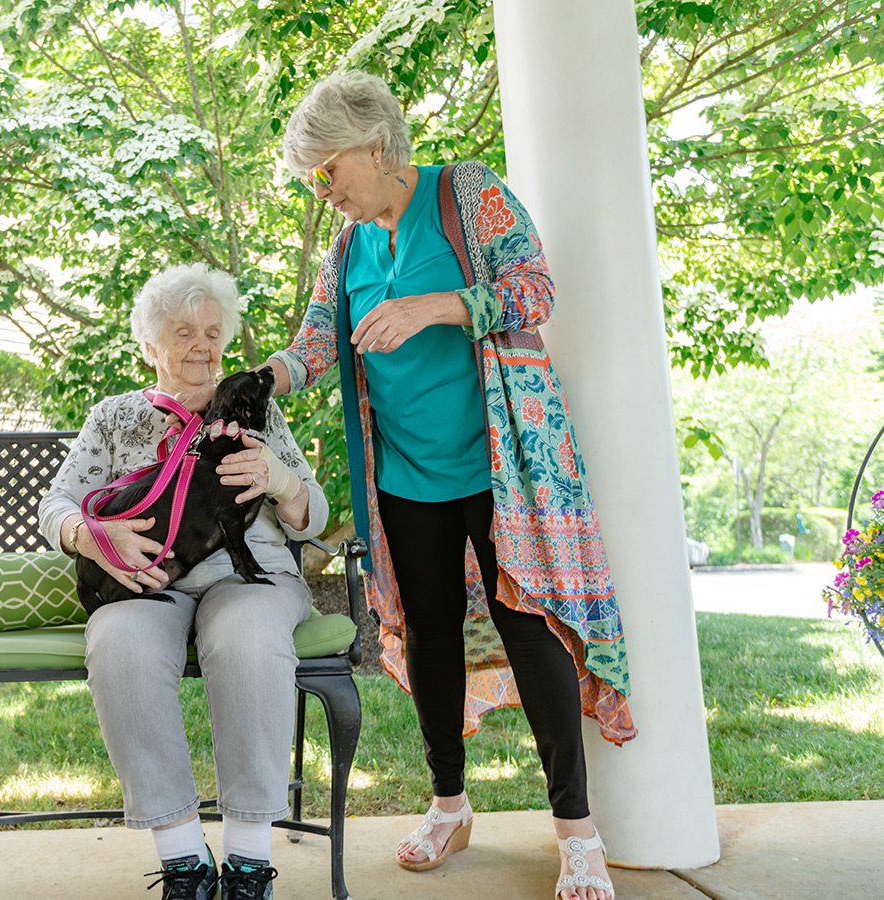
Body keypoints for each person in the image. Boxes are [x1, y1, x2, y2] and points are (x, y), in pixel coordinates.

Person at [259, 71, 634, 900]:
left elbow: (533, 288)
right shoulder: (350, 248)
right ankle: (449, 805)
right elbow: (318, 341)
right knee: (429, 637)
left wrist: (434, 307)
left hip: (501, 470)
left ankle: (577, 834)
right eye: (314, 177)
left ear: (376, 144)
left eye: (330, 170)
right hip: (407, 477)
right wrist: (265, 379)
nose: (326, 191)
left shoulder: (469, 193)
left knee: (528, 629)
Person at [38, 262, 328, 900]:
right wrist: (90, 536)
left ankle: (250, 861)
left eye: (212, 331)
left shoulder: (255, 412)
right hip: (145, 580)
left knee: (247, 637)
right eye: (183, 332)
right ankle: (182, 861)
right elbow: (55, 505)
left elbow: (316, 518)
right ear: (150, 345)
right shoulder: (115, 417)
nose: (202, 346)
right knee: (120, 643)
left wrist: (281, 482)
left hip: (247, 576)